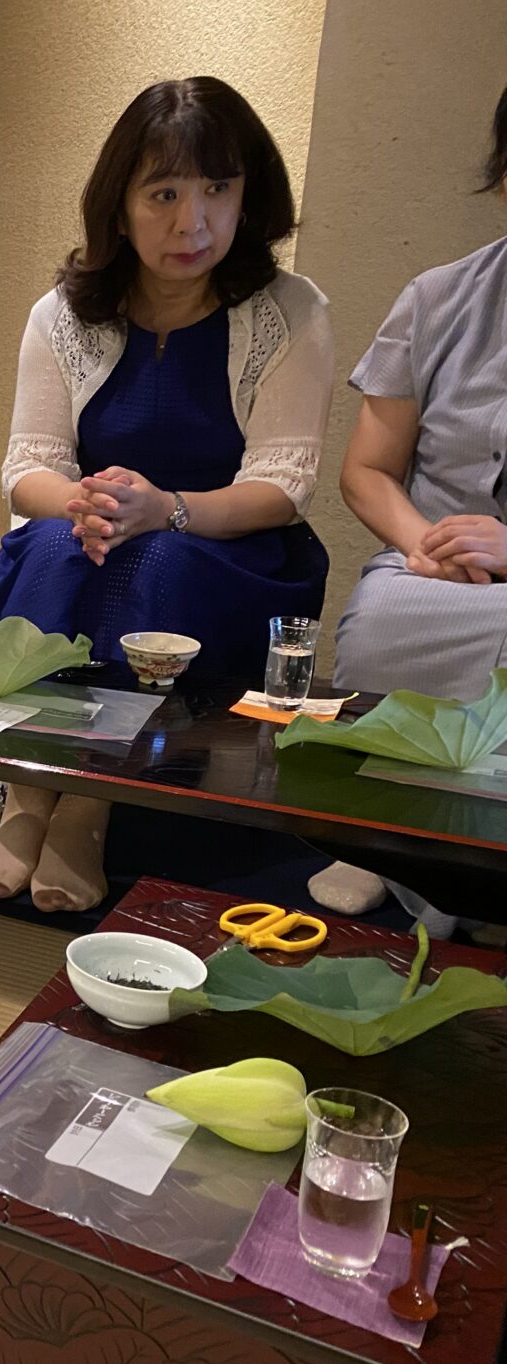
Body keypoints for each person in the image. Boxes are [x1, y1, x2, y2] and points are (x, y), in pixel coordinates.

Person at [0, 77, 334, 912]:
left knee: (159, 561)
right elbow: (28, 467)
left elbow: (282, 484)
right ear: (120, 205)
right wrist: (84, 506)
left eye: (217, 189)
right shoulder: (63, 314)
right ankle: (28, 794)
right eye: (164, 193)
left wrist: (166, 507)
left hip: (230, 552)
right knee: (53, 546)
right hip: (90, 535)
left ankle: (86, 807)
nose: (192, 221)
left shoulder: (289, 311)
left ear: (249, 196)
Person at [307, 82, 507, 937]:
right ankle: (387, 842)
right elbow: (367, 470)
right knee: (381, 623)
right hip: (436, 569)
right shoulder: (438, 298)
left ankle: (471, 880)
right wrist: (425, 543)